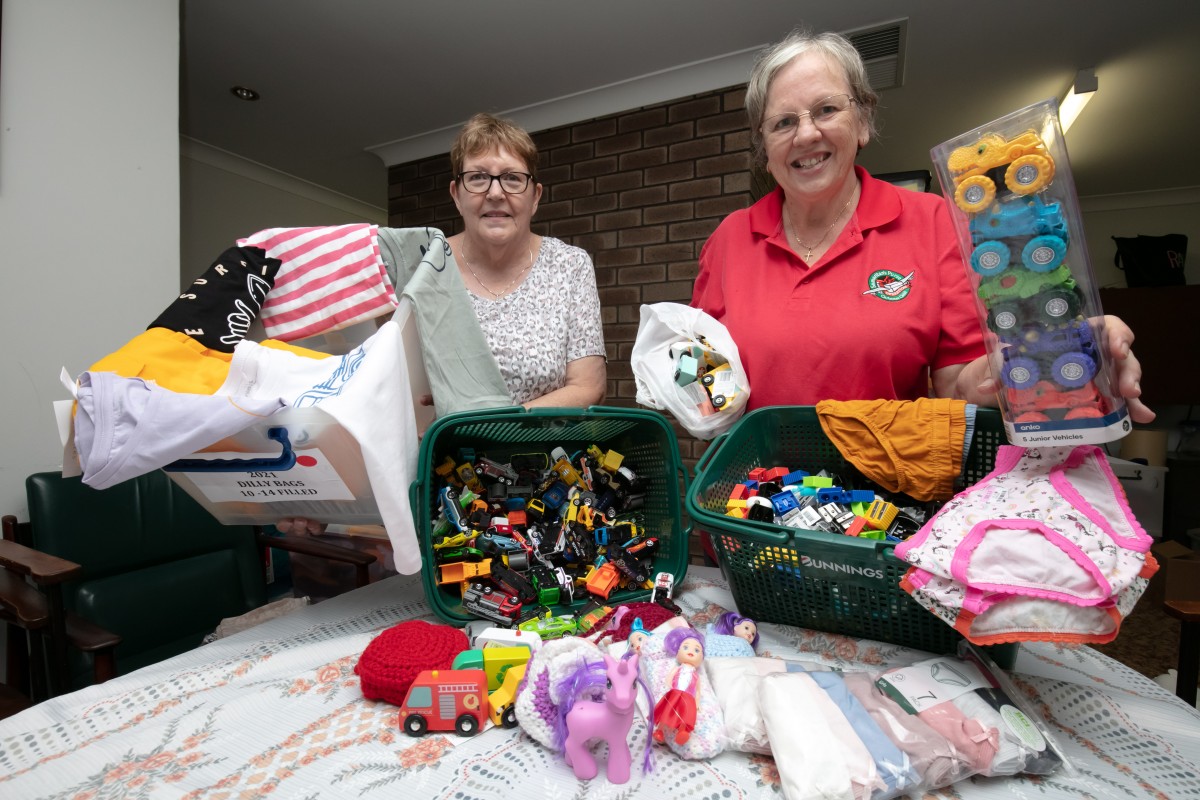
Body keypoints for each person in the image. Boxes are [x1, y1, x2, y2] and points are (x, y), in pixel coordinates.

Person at [691, 28, 1154, 424]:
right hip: (746, 503)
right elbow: (704, 379)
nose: (806, 134)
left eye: (827, 110)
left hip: (886, 506)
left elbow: (958, 384)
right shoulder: (728, 240)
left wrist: (1055, 351)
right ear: (765, 148)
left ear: (863, 121)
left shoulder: (932, 222)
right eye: (783, 122)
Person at [277, 113, 606, 536]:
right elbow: (381, 390)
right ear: (455, 192)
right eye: (477, 178)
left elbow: (588, 385)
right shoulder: (417, 269)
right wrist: (325, 495)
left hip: (548, 482)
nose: (495, 193)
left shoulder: (570, 266)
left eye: (512, 178)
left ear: (535, 195)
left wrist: (489, 418)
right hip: (446, 484)